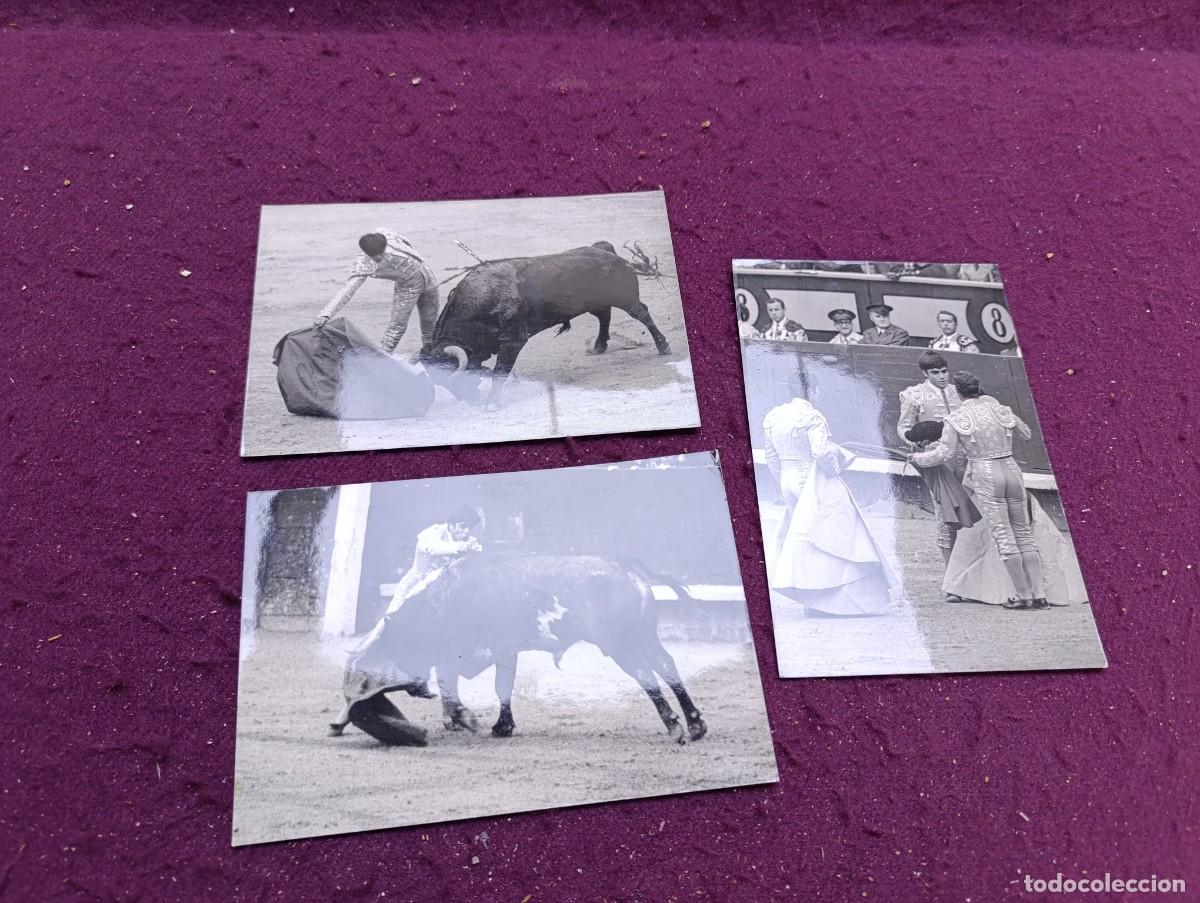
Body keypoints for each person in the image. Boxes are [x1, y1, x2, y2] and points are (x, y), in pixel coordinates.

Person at [763, 369, 896, 616]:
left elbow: (772, 457)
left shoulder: (774, 416)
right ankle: (831, 602)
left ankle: (811, 600)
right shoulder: (812, 416)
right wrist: (835, 471)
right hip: (811, 479)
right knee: (833, 536)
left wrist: (781, 481)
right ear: (812, 390)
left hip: (787, 480)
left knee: (804, 539)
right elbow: (821, 452)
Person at [910, 372, 1046, 610]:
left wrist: (918, 458)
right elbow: (1026, 434)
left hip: (985, 473)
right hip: (1011, 469)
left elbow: (944, 454)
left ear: (958, 393)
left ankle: (1024, 595)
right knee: (1023, 533)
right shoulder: (1000, 409)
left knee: (1004, 535)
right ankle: (1039, 594)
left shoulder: (957, 417)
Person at [313, 228, 440, 353]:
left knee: (431, 326)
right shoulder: (364, 263)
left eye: (381, 253)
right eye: (376, 257)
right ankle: (380, 360)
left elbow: (406, 241)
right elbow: (349, 288)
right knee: (396, 328)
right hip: (408, 286)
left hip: (428, 276)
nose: (379, 257)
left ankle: (431, 358)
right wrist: (326, 314)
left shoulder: (387, 235)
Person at [897, 352, 966, 570]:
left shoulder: (959, 392)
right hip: (936, 463)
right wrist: (913, 441)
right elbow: (903, 427)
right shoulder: (914, 395)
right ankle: (951, 572)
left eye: (944, 371)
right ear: (925, 373)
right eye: (935, 373)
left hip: (965, 459)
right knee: (945, 513)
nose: (942, 376)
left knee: (971, 509)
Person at [387, 506, 483, 617]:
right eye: (462, 526)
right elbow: (432, 547)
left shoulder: (467, 540)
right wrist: (459, 547)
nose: (466, 531)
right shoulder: (434, 533)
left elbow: (478, 552)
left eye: (469, 528)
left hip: (440, 589)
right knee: (396, 617)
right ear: (451, 525)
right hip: (416, 583)